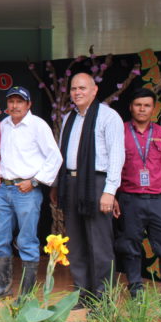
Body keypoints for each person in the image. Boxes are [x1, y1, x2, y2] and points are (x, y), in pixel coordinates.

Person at [51, 73, 124, 308]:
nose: (77, 93)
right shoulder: (69, 118)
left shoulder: (108, 116)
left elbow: (116, 156)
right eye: (73, 89)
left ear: (94, 90)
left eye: (82, 88)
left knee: (99, 243)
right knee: (77, 242)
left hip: (96, 184)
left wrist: (109, 191)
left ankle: (103, 297)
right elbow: (62, 155)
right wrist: (57, 184)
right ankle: (83, 293)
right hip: (72, 183)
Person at [0, 86, 62, 301]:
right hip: (4, 189)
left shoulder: (38, 126)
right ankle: (3, 287)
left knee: (26, 241)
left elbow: (55, 157)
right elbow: (8, 155)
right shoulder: (5, 124)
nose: (15, 105)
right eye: (11, 101)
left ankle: (26, 294)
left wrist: (35, 181)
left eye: (20, 101)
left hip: (26, 190)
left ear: (29, 105)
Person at [114, 88, 161, 300]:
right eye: (138, 105)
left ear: (153, 109)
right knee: (130, 246)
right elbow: (112, 167)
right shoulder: (121, 133)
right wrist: (113, 196)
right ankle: (135, 288)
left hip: (160, 201)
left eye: (146, 105)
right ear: (131, 107)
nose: (142, 109)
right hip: (129, 199)